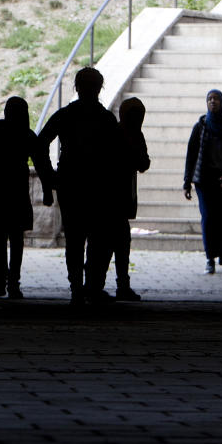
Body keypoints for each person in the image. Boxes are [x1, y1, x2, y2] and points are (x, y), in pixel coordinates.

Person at [38, 67, 121, 305]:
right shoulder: (106, 119)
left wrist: (49, 176)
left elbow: (40, 143)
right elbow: (116, 156)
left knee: (75, 238)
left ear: (76, 87)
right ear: (99, 88)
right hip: (98, 186)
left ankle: (77, 287)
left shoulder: (66, 115)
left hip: (70, 183)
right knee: (98, 239)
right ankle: (93, 285)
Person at [0, 97, 54, 299]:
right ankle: (13, 283)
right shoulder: (27, 134)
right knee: (16, 238)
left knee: (0, 235)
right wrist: (47, 190)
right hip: (18, 189)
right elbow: (41, 163)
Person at [184, 89, 222, 275]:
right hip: (204, 179)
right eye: (209, 99)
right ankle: (210, 257)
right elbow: (191, 154)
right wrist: (187, 181)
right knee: (208, 217)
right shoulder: (200, 126)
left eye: (216, 99)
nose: (213, 102)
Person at [112, 97, 150, 300]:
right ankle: (111, 285)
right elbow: (143, 163)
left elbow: (143, 163)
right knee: (116, 244)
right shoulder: (120, 135)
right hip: (114, 196)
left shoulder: (120, 134)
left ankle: (114, 284)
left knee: (117, 245)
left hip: (118, 196)